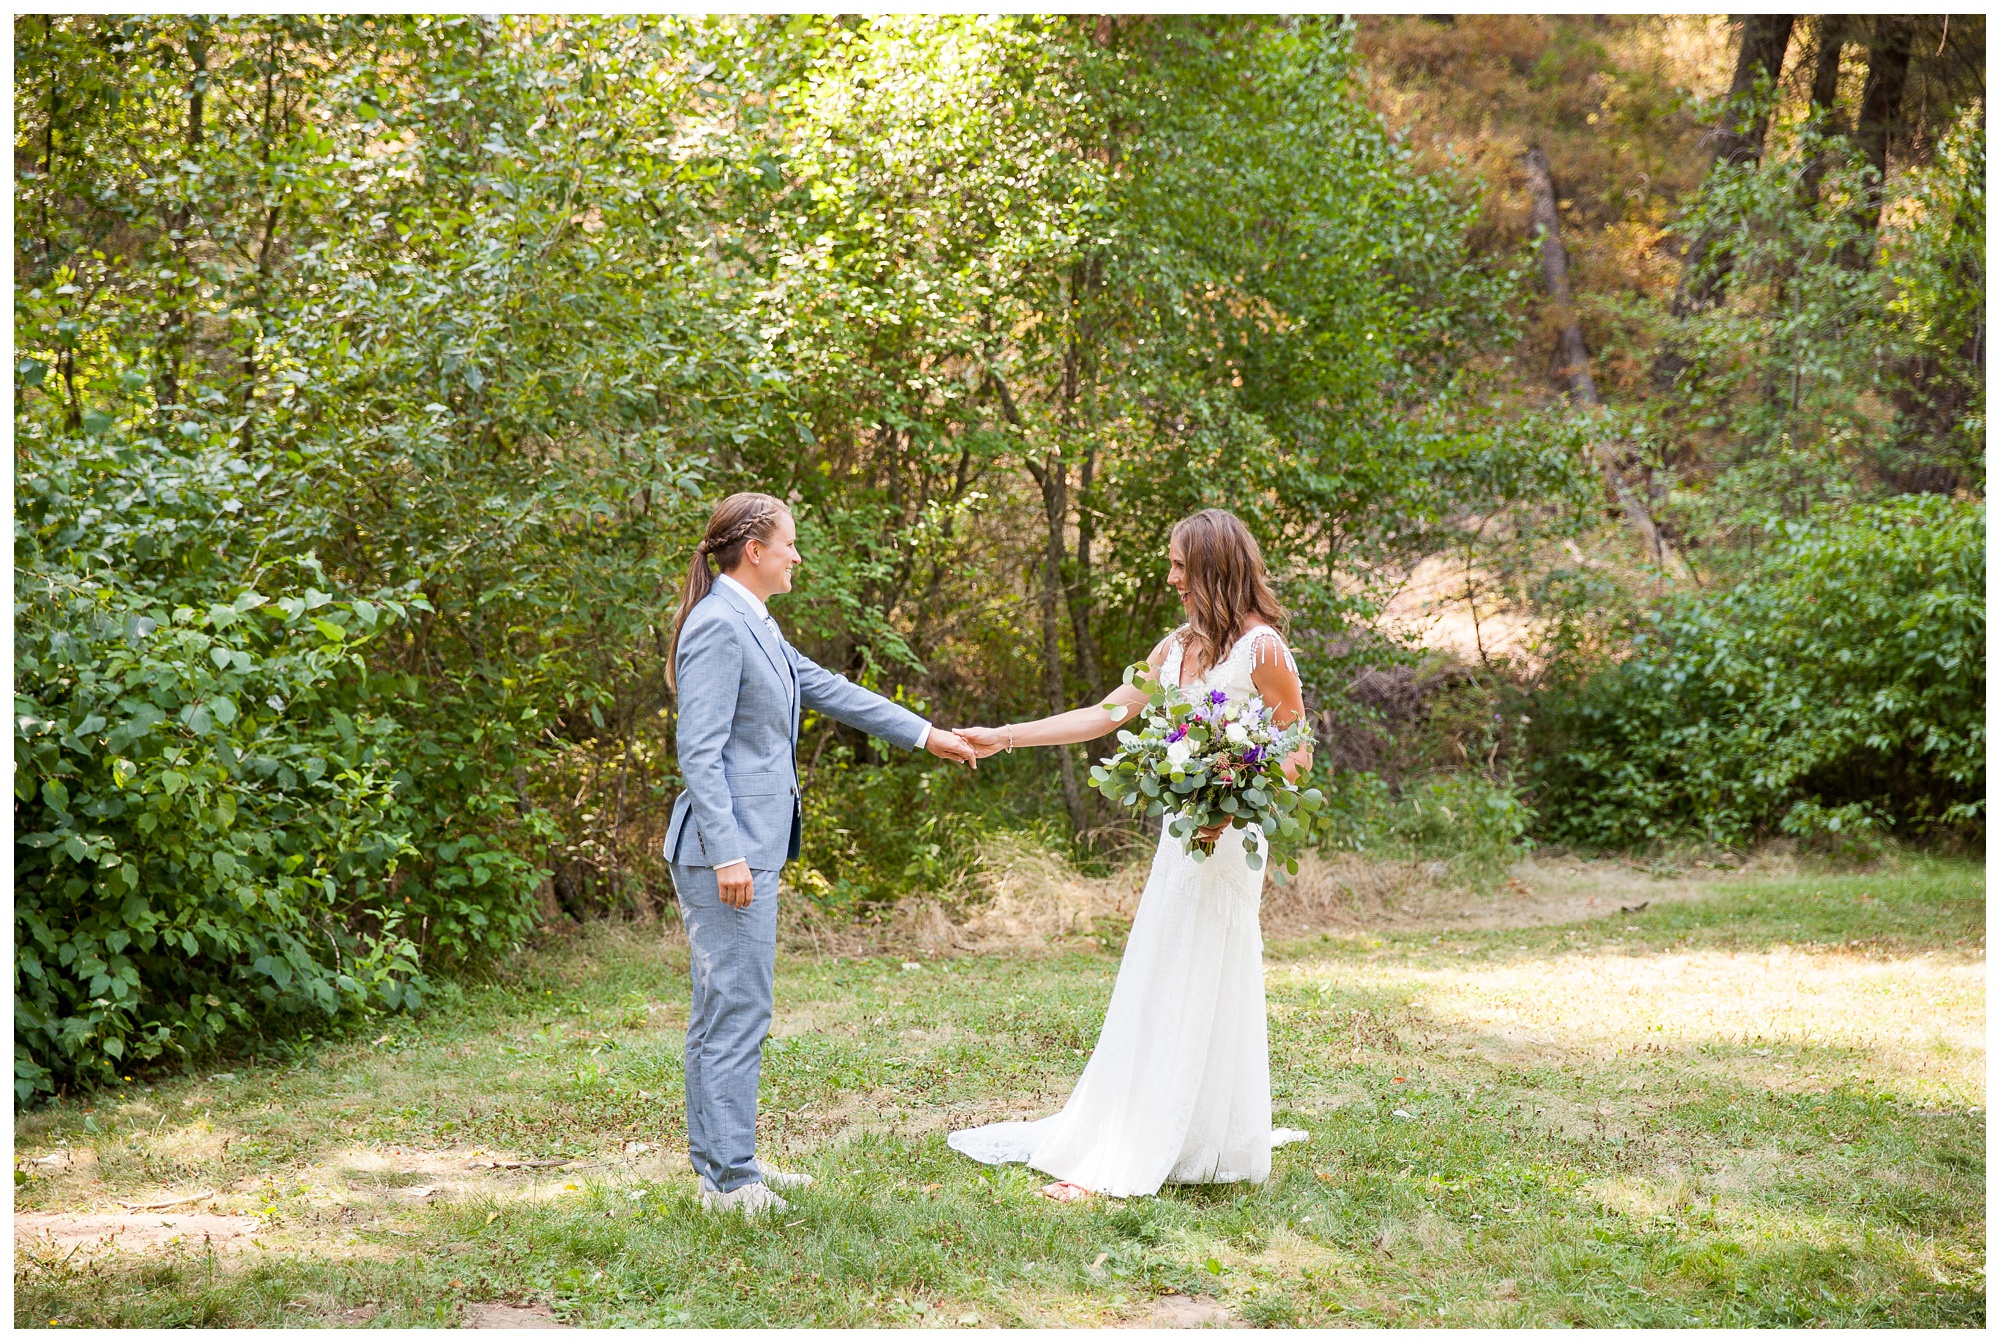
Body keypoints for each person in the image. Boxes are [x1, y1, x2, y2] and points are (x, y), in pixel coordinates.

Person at [950, 508, 1313, 1200]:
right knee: (1161, 969)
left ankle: (1139, 1152)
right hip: (1183, 838)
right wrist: (1007, 734)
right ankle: (1161, 1128)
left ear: (1213, 568)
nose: (1172, 576)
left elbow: (1295, 751)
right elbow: (1107, 713)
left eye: (1181, 564)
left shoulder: (1262, 649)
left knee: (1201, 974)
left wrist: (1231, 799)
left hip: (1230, 842)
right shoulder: (1177, 647)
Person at [665, 491, 980, 1216]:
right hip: (726, 853)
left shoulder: (755, 622)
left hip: (745, 847)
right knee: (739, 1005)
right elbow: (699, 753)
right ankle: (731, 1179)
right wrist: (728, 854)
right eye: (790, 544)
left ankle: (722, 1162)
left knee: (724, 1005)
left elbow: (829, 689)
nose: (797, 555)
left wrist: (927, 733)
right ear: (755, 551)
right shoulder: (718, 624)